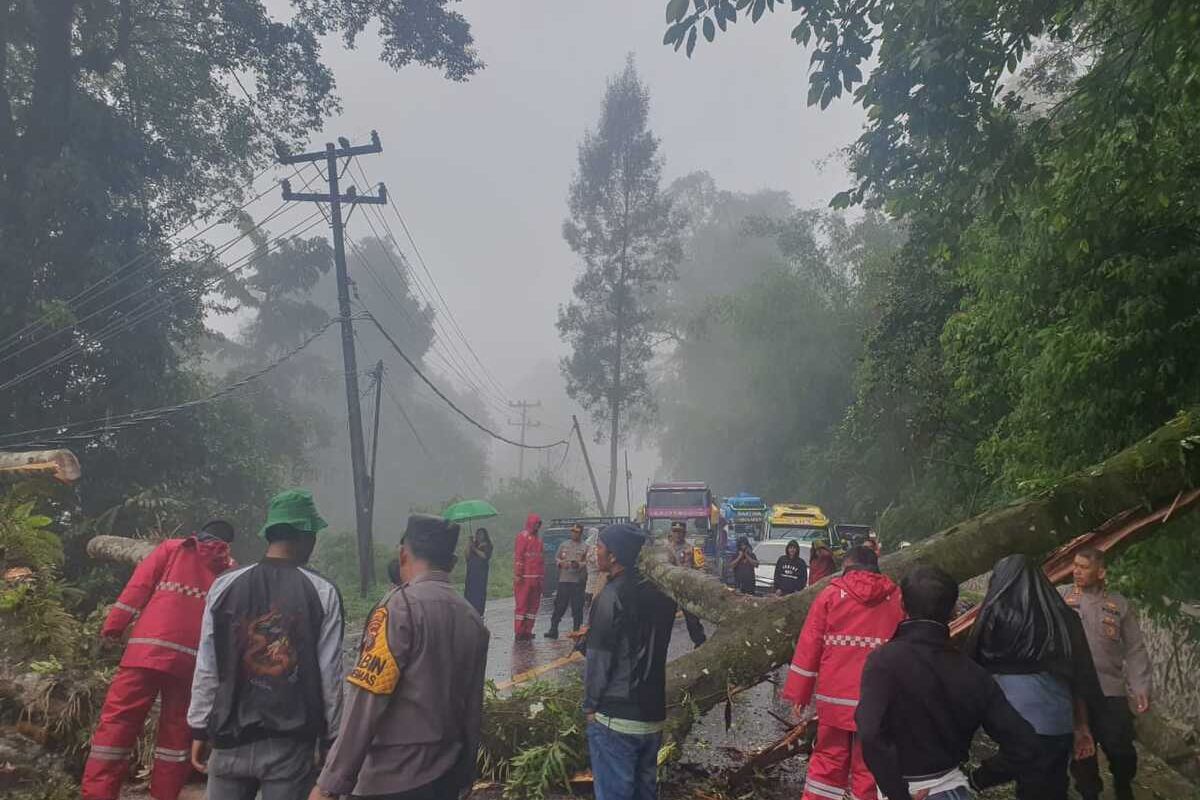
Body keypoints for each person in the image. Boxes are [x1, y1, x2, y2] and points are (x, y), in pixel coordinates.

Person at [311, 515, 490, 800]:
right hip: (444, 777)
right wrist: (465, 776)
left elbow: (367, 698)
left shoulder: (399, 608)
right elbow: (472, 707)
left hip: (390, 779)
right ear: (453, 563)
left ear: (403, 553)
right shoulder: (471, 617)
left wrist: (330, 783)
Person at [187, 489, 345, 799]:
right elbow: (330, 676)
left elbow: (208, 664)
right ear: (307, 535)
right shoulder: (322, 592)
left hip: (229, 740)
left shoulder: (225, 585)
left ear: (269, 533)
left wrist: (198, 726)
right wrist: (332, 738)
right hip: (290, 745)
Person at [856, 565, 1040, 800]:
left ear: (902, 603)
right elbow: (1025, 743)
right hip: (952, 787)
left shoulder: (882, 662)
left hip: (903, 790)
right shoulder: (973, 673)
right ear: (954, 611)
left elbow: (871, 734)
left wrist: (897, 793)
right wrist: (979, 778)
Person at [82, 520, 236, 800]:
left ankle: (98, 794)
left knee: (117, 725)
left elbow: (138, 587)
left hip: (145, 653)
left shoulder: (174, 548)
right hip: (191, 665)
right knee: (175, 738)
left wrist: (113, 627)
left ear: (198, 534)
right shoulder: (229, 570)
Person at [965, 554, 1103, 800]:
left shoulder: (993, 614)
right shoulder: (1065, 618)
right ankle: (980, 779)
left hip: (1013, 721)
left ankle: (977, 779)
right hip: (1058, 722)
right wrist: (1082, 725)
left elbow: (971, 664)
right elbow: (1082, 676)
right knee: (1050, 783)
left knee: (1027, 772)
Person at [781, 545, 904, 800]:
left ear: (847, 565)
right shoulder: (897, 598)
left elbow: (809, 644)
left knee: (827, 760)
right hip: (877, 702)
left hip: (834, 699)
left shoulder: (830, 595)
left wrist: (800, 694)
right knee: (870, 765)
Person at [583, 523, 677, 800]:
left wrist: (590, 706)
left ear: (613, 556)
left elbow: (600, 660)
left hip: (617, 718)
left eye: (599, 547)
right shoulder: (662, 594)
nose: (594, 553)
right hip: (652, 717)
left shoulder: (611, 596)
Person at [1063, 547, 1153, 800]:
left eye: (1083, 567)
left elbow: (1135, 649)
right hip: (1076, 693)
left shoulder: (1119, 605)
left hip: (1110, 690)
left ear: (1101, 572)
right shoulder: (1063, 600)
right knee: (1082, 754)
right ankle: (1090, 793)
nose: (1076, 571)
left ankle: (1123, 785)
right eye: (1075, 565)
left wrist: (1140, 686)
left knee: (1122, 750)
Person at [667, 521, 706, 648]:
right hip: (668, 589)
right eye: (675, 531)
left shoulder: (693, 550)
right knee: (664, 621)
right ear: (671, 533)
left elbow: (701, 568)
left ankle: (700, 644)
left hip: (687, 590)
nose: (677, 534)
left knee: (692, 620)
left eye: (680, 532)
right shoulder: (664, 549)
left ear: (685, 533)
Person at [546, 523, 589, 639]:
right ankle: (553, 629)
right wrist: (560, 563)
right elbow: (557, 558)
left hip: (577, 581)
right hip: (564, 579)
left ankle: (576, 630)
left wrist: (578, 565)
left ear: (580, 533)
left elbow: (587, 562)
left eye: (576, 532)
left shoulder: (585, 547)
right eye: (573, 531)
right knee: (560, 605)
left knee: (577, 607)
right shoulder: (564, 545)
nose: (574, 534)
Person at [512, 513, 544, 641]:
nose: (537, 526)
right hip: (524, 578)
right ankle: (519, 631)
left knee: (533, 607)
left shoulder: (538, 540)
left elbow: (541, 561)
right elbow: (519, 557)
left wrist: (541, 578)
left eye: (539, 524)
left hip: (536, 579)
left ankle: (528, 631)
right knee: (522, 605)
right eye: (536, 523)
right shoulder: (522, 537)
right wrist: (518, 574)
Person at [463, 527, 493, 616]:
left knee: (479, 593)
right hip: (471, 573)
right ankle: (469, 611)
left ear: (485, 535)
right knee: (469, 592)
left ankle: (479, 612)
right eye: (478, 534)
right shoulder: (473, 544)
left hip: (481, 574)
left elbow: (485, 556)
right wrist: (469, 543)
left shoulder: (487, 545)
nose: (479, 536)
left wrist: (475, 549)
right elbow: (467, 556)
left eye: (481, 534)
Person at [585, 527, 606, 607]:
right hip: (595, 581)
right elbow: (598, 565)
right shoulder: (594, 549)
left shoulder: (589, 547)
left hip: (591, 581)